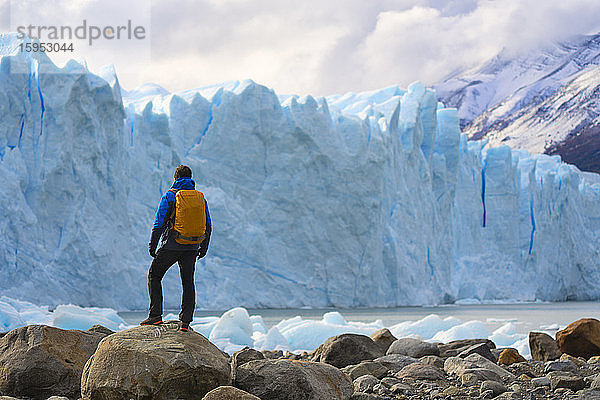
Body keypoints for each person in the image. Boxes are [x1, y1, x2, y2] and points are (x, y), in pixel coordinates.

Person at [140, 165, 211, 332]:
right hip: (192, 247)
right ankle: (185, 322)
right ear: (191, 178)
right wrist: (203, 246)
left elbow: (159, 222)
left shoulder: (170, 196)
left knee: (154, 275)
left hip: (172, 246)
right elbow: (208, 224)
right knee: (188, 281)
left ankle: (155, 316)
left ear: (175, 178)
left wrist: (153, 244)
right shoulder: (200, 199)